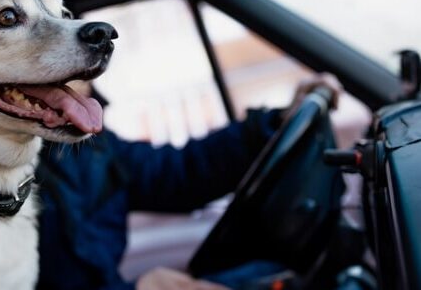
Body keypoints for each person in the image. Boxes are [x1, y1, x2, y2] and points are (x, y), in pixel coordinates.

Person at [36, 73, 342, 290]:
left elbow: (178, 173)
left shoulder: (92, 146)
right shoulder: (1, 178)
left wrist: (271, 126)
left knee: (275, 274)